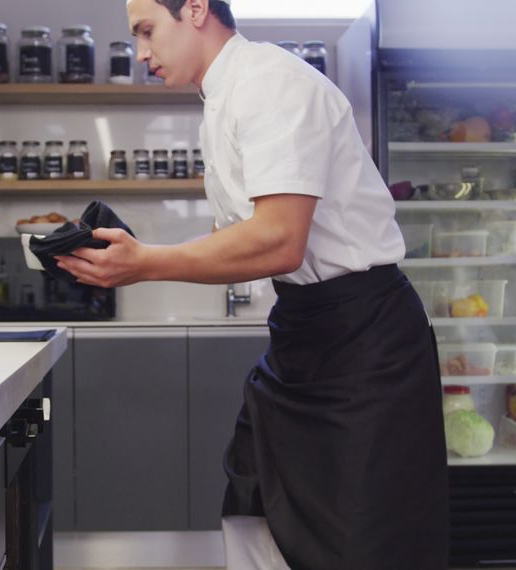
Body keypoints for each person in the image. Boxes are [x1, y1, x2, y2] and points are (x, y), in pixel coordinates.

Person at [54, 0, 450, 568]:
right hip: (301, 335)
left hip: (365, 342)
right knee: (252, 503)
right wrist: (130, 251)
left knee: (364, 539)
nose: (140, 52)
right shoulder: (219, 100)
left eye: (146, 30)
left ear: (194, 9)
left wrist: (147, 263)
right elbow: (240, 240)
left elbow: (280, 240)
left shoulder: (271, 82)